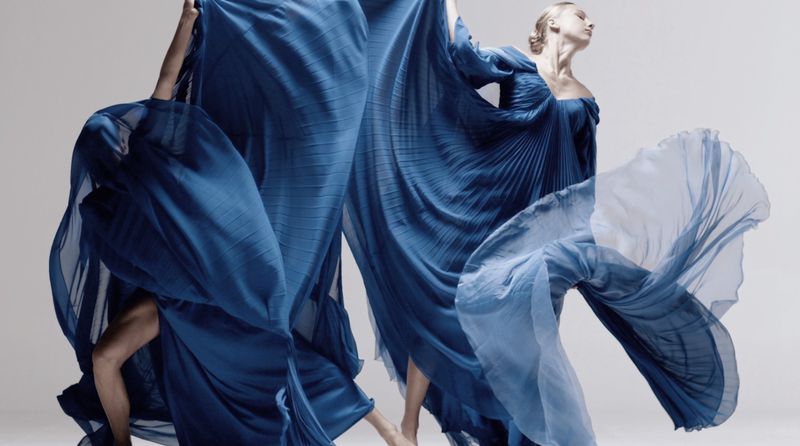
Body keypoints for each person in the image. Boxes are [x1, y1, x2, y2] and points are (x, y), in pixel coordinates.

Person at [345, 0, 769, 445]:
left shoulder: (584, 98)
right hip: (486, 203)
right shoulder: (516, 64)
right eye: (579, 14)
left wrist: (580, 235)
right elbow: (463, 57)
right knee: (440, 310)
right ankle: (409, 427)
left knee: (527, 331)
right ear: (551, 23)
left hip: (537, 228)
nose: (590, 21)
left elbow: (584, 177)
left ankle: (520, 435)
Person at [50, 1, 412, 444]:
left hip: (221, 290)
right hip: (179, 298)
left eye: (111, 148)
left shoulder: (157, 142)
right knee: (107, 357)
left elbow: (166, 79)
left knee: (276, 355)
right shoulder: (117, 193)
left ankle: (382, 425)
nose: (111, 156)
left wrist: (187, 22)